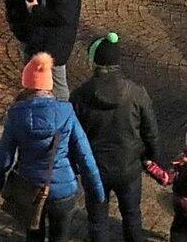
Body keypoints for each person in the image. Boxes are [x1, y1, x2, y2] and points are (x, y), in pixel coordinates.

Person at [0, 54, 106, 242]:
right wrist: (97, 190)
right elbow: (84, 155)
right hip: (63, 190)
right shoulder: (66, 112)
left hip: (30, 188)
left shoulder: (17, 115)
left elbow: (4, 155)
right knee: (60, 237)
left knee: (33, 236)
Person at [72, 32, 159, 242]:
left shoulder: (80, 95)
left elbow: (73, 136)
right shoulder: (136, 93)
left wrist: (75, 165)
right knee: (132, 215)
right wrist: (151, 158)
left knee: (97, 220)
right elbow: (150, 132)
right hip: (128, 167)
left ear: (94, 62)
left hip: (95, 168)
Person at [24, 0, 82, 101]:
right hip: (45, 40)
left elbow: (63, 16)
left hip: (56, 44)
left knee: (58, 83)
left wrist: (35, 10)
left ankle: (63, 111)